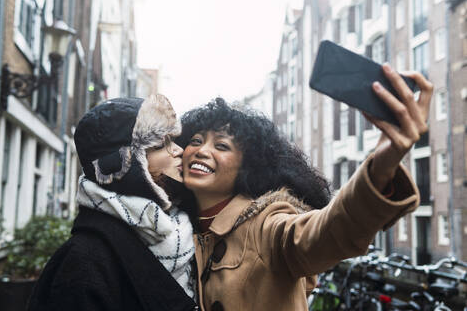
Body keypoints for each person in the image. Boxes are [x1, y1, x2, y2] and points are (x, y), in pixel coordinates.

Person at [177, 64, 433, 311]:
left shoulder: (265, 225)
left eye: (221, 146)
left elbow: (329, 231)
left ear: (247, 167)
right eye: (196, 141)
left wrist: (381, 167)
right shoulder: (176, 227)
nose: (201, 151)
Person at [27, 95, 198, 311]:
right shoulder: (84, 261)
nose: (178, 150)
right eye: (160, 144)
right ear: (129, 164)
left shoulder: (183, 229)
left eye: (172, 140)